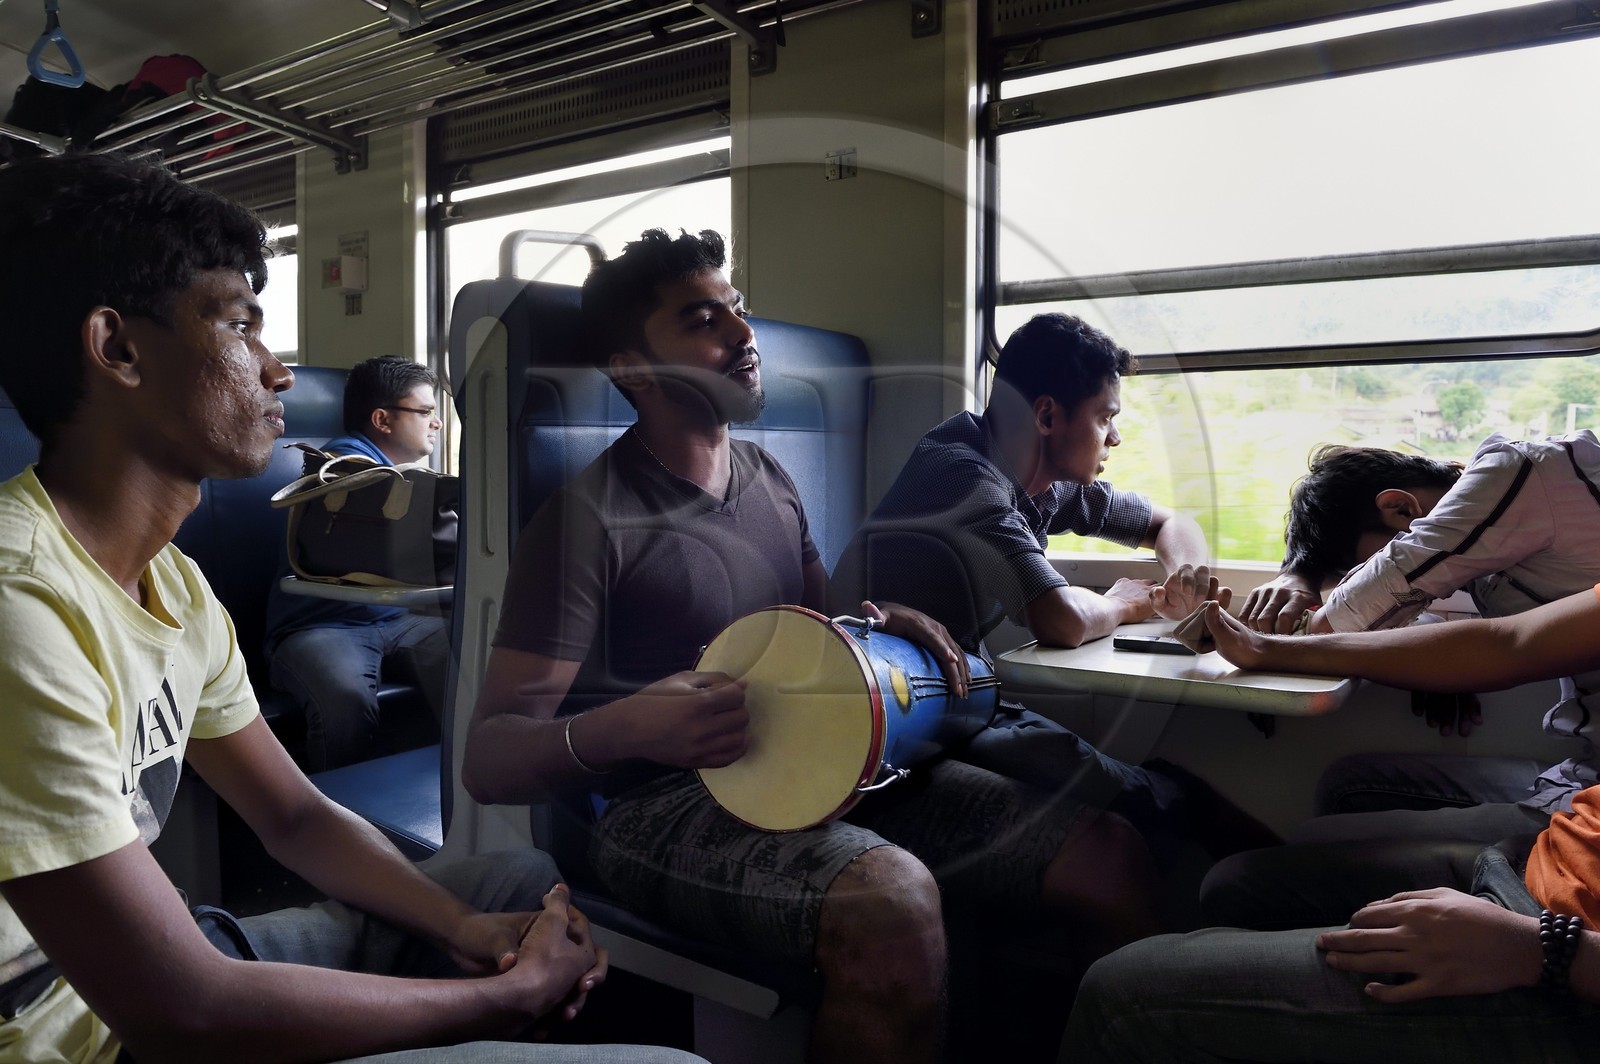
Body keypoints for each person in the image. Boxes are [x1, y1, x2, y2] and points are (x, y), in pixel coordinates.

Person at [0, 152, 704, 1064]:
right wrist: (502, 998)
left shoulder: (173, 585)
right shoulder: (23, 606)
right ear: (119, 348)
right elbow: (182, 1011)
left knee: (514, 887)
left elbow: (293, 817)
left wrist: (466, 932)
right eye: (241, 326)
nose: (278, 371)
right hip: (63, 1029)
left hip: (157, 968)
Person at [462, 229, 1166, 1064]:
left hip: (818, 759)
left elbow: (817, 631)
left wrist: (879, 622)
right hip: (659, 806)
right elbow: (492, 758)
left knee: (1109, 856)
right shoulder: (588, 521)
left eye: (739, 311)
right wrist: (630, 728)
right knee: (891, 900)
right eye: (704, 322)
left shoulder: (770, 479)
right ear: (632, 369)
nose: (742, 335)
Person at [1058, 593, 1600, 1063]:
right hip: (1549, 860)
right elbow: (1510, 641)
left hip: (1560, 960)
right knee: (1235, 883)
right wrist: (1270, 648)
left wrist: (1545, 950)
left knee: (1122, 999)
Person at [831, 313, 1269, 856]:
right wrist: (1124, 606)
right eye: (1106, 417)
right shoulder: (964, 478)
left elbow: (1170, 523)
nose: (1116, 436)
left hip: (950, 690)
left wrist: (1186, 577)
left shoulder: (1041, 481)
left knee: (1147, 790)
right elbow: (1059, 621)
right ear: (1046, 416)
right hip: (882, 707)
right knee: (1140, 799)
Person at [1211, 434, 1600, 928]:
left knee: (1301, 848)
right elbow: (1445, 613)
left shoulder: (1519, 469)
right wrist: (1300, 577)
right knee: (1348, 786)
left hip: (1589, 795)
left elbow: (1362, 612)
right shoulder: (1511, 530)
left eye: (1361, 567)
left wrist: (1279, 634)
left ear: (1398, 509)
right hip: (1581, 768)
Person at [263, 355, 450, 770]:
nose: (435, 423)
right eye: (425, 412)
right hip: (321, 624)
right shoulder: (344, 468)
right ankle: (338, 814)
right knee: (344, 702)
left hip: (392, 618)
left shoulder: (394, 473)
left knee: (475, 649)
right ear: (383, 420)